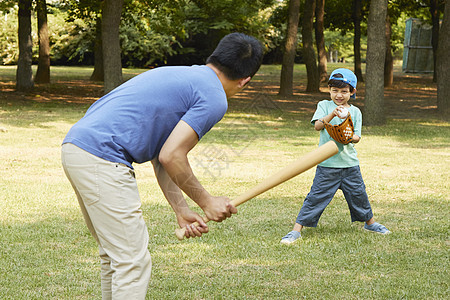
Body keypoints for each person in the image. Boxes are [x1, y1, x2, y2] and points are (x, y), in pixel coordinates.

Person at [61, 32, 263, 299]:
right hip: (104, 155)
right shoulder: (214, 97)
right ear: (245, 81)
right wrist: (206, 201)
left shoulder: (182, 74)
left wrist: (181, 210)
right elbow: (173, 156)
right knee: (132, 261)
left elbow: (161, 154)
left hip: (77, 147)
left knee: (116, 255)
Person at [280, 68, 390, 245]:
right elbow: (317, 126)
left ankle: (370, 224)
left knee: (359, 195)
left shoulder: (356, 112)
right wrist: (332, 114)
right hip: (327, 164)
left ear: (352, 92)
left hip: (349, 164)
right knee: (315, 197)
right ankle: (295, 231)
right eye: (335, 90)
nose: (339, 95)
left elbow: (357, 137)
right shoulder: (324, 106)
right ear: (329, 90)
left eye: (344, 91)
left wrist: (347, 137)